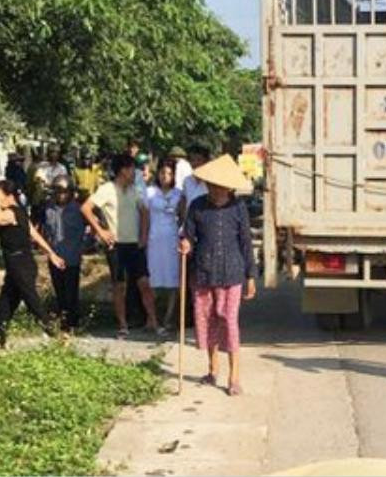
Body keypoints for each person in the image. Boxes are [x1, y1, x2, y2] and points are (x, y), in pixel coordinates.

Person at [179, 154, 256, 396]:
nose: (213, 189)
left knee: (229, 320)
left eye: (218, 185)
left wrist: (250, 276)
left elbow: (245, 242)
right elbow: (188, 235)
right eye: (210, 185)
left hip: (232, 272)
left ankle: (234, 377)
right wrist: (185, 244)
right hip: (203, 271)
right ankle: (213, 369)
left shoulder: (238, 208)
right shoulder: (197, 206)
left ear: (228, 187)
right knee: (207, 318)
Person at [83, 153, 160, 338]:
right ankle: (123, 325)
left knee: (144, 283)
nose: (135, 172)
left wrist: (143, 236)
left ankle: (153, 321)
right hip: (116, 245)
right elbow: (85, 208)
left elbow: (144, 212)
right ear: (123, 170)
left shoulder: (135, 190)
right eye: (132, 168)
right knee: (119, 285)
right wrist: (100, 231)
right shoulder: (107, 189)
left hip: (135, 244)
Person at [0, 180, 66, 348]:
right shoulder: (21, 212)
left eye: (0, 196)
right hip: (18, 263)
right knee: (4, 304)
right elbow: (34, 235)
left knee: (32, 301)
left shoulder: (11, 213)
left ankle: (54, 333)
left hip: (20, 263)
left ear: (8, 196)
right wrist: (51, 254)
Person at [41, 176, 88, 332]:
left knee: (71, 292)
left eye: (65, 192)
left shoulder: (79, 209)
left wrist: (85, 245)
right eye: (58, 192)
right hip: (55, 256)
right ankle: (63, 321)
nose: (61, 195)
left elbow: (93, 226)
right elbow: (44, 230)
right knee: (59, 291)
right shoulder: (48, 208)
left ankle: (73, 322)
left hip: (72, 256)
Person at [146, 161, 184, 334]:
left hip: (171, 239)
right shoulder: (149, 192)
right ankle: (151, 318)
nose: (165, 177)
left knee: (172, 279)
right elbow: (144, 217)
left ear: (174, 176)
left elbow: (183, 217)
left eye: (169, 173)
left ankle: (169, 317)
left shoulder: (179, 194)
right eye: (162, 173)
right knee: (152, 279)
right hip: (154, 239)